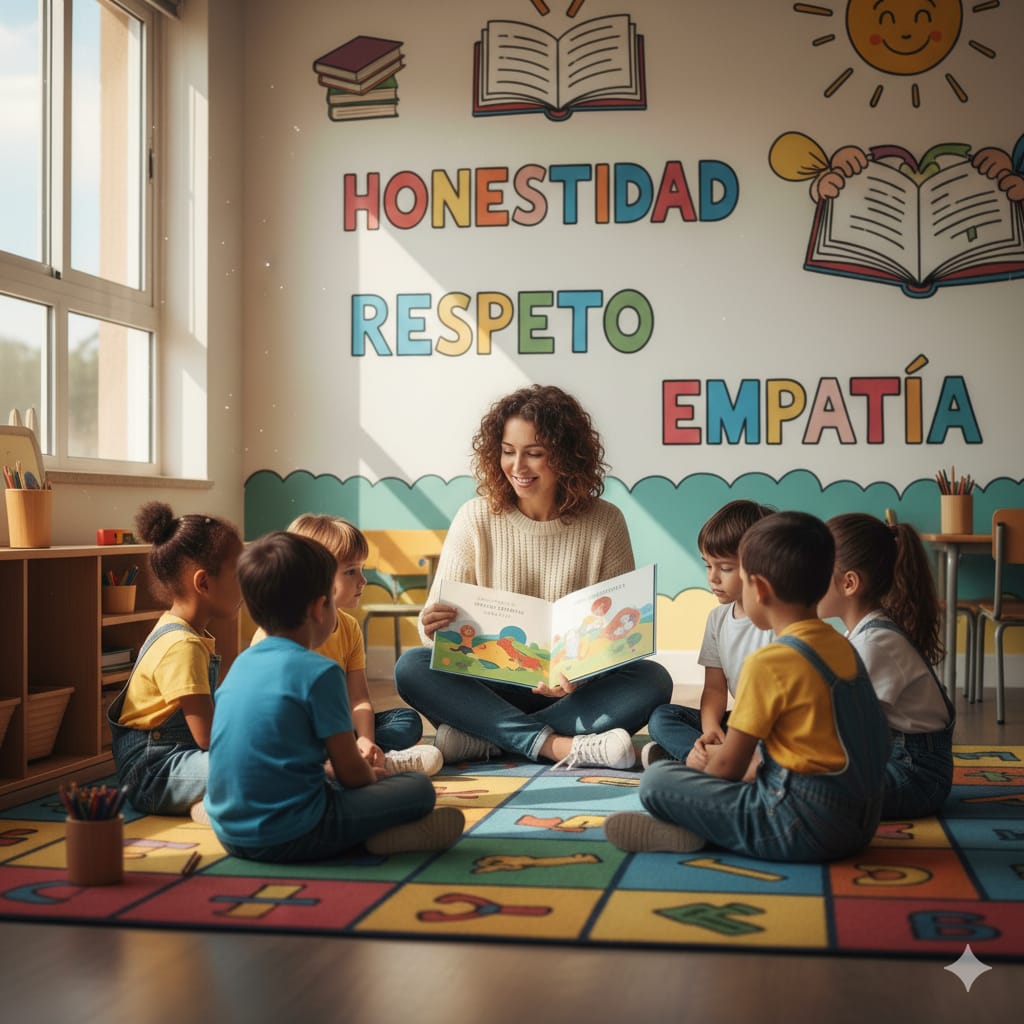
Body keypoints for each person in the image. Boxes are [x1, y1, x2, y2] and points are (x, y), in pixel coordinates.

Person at [394, 384, 674, 770]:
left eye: (534, 454)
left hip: (570, 693)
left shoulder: (606, 521)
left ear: (566, 456)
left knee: (652, 679)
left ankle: (486, 740)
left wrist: (582, 673)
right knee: (411, 667)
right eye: (508, 452)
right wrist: (431, 623)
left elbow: (616, 641)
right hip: (487, 688)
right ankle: (557, 746)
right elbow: (434, 635)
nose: (517, 467)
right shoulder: (475, 517)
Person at [604, 511, 890, 862]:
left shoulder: (770, 661)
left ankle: (704, 828)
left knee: (658, 781)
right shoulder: (842, 645)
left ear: (761, 589)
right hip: (861, 825)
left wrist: (697, 778)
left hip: (797, 825)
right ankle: (705, 827)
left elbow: (728, 770)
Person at [204, 531, 465, 861]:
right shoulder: (318, 672)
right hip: (294, 831)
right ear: (319, 607)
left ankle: (367, 832)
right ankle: (375, 837)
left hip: (228, 832)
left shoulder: (239, 665)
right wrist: (372, 775)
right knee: (418, 789)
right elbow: (352, 776)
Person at [251, 514, 438, 776]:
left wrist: (365, 740)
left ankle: (364, 757)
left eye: (362, 569)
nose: (363, 581)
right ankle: (350, 763)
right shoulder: (279, 633)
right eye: (351, 571)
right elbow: (273, 716)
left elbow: (359, 699)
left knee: (406, 721)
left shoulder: (349, 627)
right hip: (297, 733)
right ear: (313, 577)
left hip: (339, 729)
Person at [107, 502, 243, 819]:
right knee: (262, 768)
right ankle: (220, 810)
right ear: (203, 583)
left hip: (178, 759)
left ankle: (214, 808)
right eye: (238, 574)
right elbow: (208, 738)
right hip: (154, 773)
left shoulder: (183, 630)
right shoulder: (182, 644)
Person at [819, 512, 954, 819]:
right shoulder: (860, 633)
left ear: (849, 583)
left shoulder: (875, 644)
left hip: (913, 776)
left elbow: (839, 729)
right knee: (683, 716)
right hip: (887, 762)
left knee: (800, 786)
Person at [642, 500, 775, 769]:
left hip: (775, 727)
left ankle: (705, 761)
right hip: (739, 722)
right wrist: (710, 728)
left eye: (725, 568)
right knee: (662, 717)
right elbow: (715, 688)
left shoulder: (779, 621)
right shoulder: (718, 619)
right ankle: (710, 758)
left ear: (762, 567)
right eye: (707, 565)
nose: (713, 577)